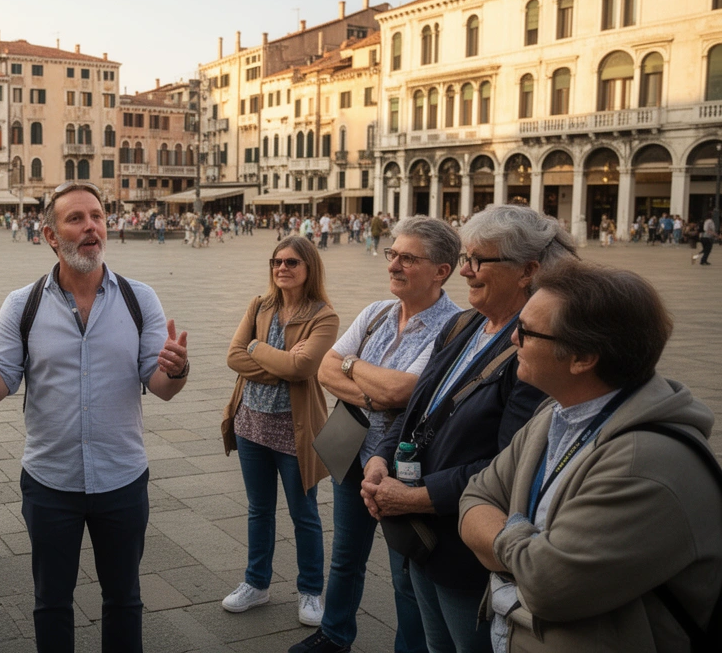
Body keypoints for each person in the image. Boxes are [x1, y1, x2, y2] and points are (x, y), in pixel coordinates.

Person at [0, 181, 190, 653]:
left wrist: (176, 371)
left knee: (125, 600)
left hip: (122, 479)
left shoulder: (140, 300)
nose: (90, 226)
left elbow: (161, 387)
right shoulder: (23, 304)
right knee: (51, 601)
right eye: (75, 219)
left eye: (96, 216)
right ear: (51, 236)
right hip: (51, 482)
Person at [460, 263, 722, 652]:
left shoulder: (645, 465)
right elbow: (474, 499)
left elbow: (547, 585)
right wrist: (527, 547)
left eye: (527, 330)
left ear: (582, 357)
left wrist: (506, 542)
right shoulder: (555, 414)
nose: (512, 336)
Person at [359, 205, 575, 653]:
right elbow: (416, 410)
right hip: (421, 534)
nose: (466, 273)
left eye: (478, 261)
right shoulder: (463, 324)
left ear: (527, 270)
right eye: (465, 259)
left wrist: (416, 496)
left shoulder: (531, 350)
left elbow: (511, 464)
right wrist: (381, 455)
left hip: (467, 547)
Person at [291, 216, 464, 653]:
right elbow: (327, 368)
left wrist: (355, 370)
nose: (394, 265)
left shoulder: (455, 328)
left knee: (406, 571)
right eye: (393, 254)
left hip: (404, 470)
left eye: (408, 258)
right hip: (352, 452)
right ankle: (334, 635)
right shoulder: (376, 313)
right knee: (346, 556)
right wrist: (370, 392)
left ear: (442, 270)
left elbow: (404, 390)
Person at [220, 235, 338, 626]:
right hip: (251, 422)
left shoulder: (323, 316)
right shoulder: (259, 304)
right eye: (276, 262)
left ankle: (310, 591)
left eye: (291, 262)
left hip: (295, 430)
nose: (282, 269)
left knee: (304, 513)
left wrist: (256, 349)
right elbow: (233, 356)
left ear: (309, 268)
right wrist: (275, 365)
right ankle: (257, 583)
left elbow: (301, 369)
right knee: (259, 510)